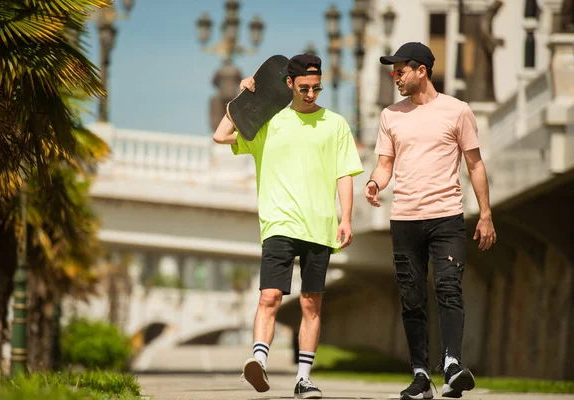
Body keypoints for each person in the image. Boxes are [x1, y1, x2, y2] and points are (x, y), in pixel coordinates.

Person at [213, 54, 363, 399]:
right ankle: (259, 361)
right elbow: (221, 136)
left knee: (311, 305)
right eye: (304, 88)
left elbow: (344, 173)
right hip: (279, 224)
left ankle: (303, 379)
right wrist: (243, 100)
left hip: (320, 227)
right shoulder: (269, 122)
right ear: (289, 85)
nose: (311, 94)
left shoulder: (336, 124)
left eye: (316, 88)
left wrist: (346, 217)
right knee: (270, 296)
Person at [364, 42, 497, 400]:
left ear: (422, 70)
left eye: (400, 69)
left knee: (449, 288)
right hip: (405, 218)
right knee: (411, 298)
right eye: (393, 71)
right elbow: (385, 164)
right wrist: (375, 182)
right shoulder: (390, 115)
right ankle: (421, 375)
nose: (395, 76)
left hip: (447, 217)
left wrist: (485, 213)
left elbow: (475, 164)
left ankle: (452, 365)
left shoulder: (457, 111)